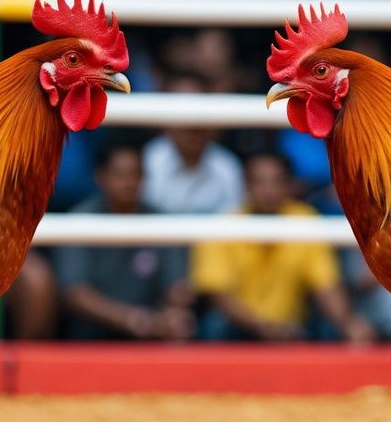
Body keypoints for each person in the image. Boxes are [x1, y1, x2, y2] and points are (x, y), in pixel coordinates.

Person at [191, 152, 374, 343]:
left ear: (289, 186)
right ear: (245, 186)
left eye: (276, 182)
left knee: (331, 329)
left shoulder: (305, 220)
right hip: (240, 327)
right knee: (215, 325)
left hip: (293, 327)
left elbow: (326, 284)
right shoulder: (223, 225)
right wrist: (263, 327)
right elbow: (218, 295)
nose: (268, 190)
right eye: (259, 182)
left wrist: (347, 322)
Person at [53, 143, 195, 340]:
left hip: (151, 331)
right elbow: (74, 293)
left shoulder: (162, 223)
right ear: (100, 177)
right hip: (91, 332)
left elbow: (177, 286)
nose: (128, 181)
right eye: (119, 174)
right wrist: (129, 319)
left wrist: (173, 311)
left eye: (135, 174)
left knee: (181, 327)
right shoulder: (79, 221)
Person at [141, 70, 244, 215]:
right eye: (181, 109)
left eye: (196, 109)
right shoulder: (148, 162)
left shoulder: (227, 167)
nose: (190, 123)